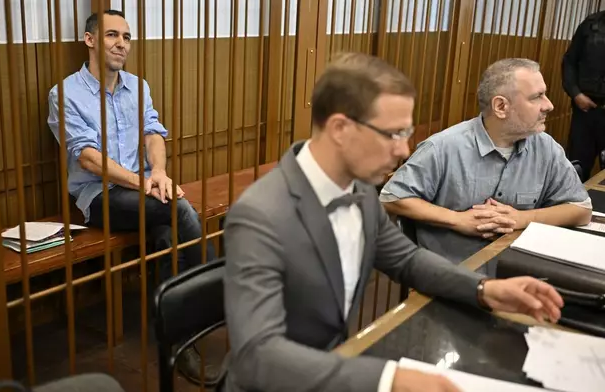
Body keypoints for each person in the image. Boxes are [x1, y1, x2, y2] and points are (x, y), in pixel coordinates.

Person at [221, 53, 564, 392]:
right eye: (394, 133)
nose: (404, 150)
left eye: (407, 131)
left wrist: (484, 289)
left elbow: (406, 260)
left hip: (334, 365)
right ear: (340, 128)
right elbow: (257, 357)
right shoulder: (261, 214)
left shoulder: (359, 189)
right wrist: (388, 379)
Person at [47, 9, 217, 384]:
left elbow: (153, 133)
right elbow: (89, 158)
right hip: (100, 197)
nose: (121, 44)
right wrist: (146, 185)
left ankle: (175, 340)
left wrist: (158, 173)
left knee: (167, 237)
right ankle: (216, 293)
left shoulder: (137, 86)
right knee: (179, 208)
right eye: (111, 35)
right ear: (90, 40)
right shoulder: (65, 94)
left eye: (126, 36)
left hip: (145, 189)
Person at [381, 58, 592, 269]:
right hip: (450, 277)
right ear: (501, 106)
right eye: (537, 97)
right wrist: (458, 220)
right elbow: (391, 197)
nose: (549, 105)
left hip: (517, 273)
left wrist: (521, 218)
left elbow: (581, 209)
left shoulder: (546, 148)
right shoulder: (443, 147)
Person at [562, 10, 605, 182]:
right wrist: (575, 93)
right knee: (576, 169)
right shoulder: (590, 23)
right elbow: (569, 61)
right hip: (585, 110)